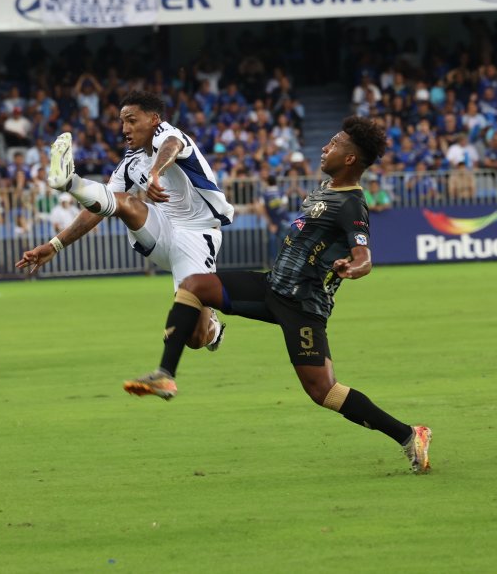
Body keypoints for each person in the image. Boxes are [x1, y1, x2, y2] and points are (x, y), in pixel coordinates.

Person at [121, 117, 432, 474]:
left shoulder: (351, 204)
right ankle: (164, 374)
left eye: (333, 144)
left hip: (303, 307)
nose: (324, 148)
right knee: (193, 285)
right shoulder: (323, 190)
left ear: (350, 159)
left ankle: (410, 434)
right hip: (272, 287)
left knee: (323, 392)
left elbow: (364, 256)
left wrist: (353, 266)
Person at [16, 90, 230, 352]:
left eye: (131, 120)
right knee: (122, 202)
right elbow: (101, 206)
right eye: (122, 122)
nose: (124, 129)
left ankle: (212, 324)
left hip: (197, 234)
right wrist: (54, 245)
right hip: (162, 230)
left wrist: (155, 172)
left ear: (154, 120)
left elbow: (172, 146)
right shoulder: (131, 161)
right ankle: (69, 181)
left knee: (194, 339)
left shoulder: (170, 134)